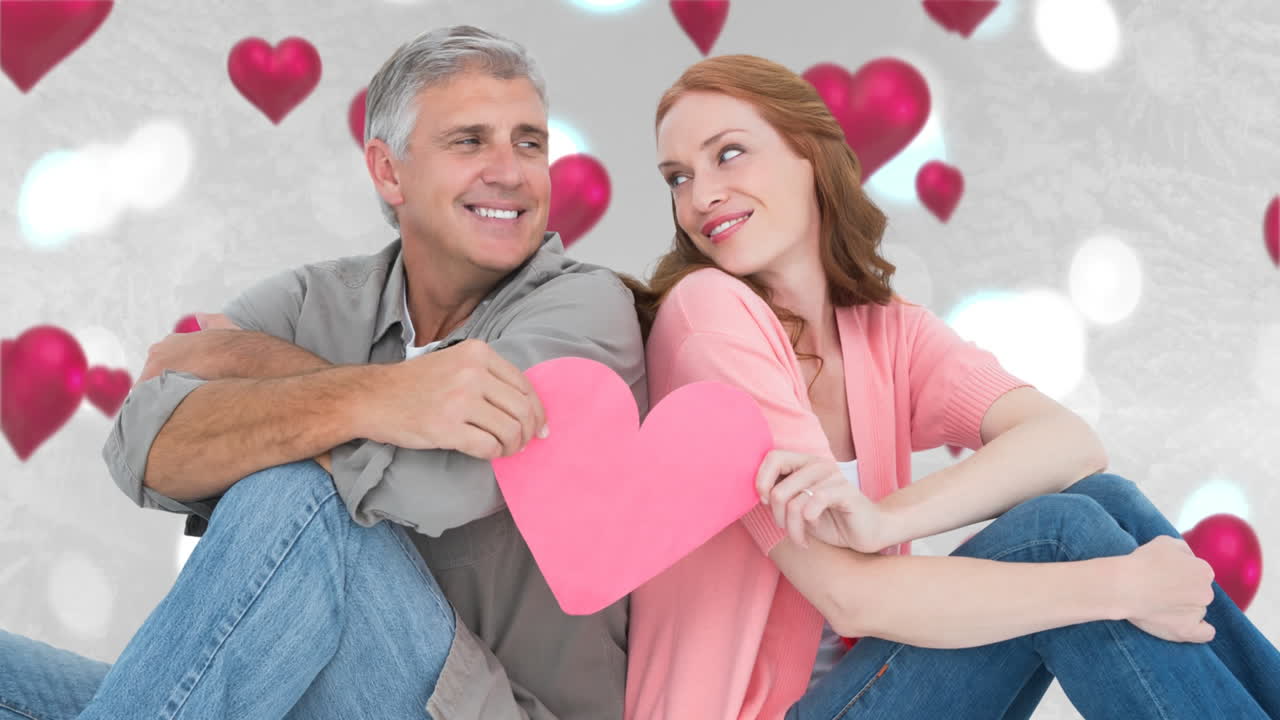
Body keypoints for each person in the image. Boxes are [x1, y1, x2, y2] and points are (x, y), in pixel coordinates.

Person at [0, 25, 643, 720]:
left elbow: (443, 486)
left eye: (529, 142)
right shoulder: (316, 299)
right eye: (470, 140)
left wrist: (253, 378)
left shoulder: (586, 311)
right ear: (388, 170)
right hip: (304, 696)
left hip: (488, 708)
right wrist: (385, 396)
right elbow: (146, 446)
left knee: (298, 497)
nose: (512, 170)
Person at [620, 54, 1280, 720]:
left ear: (811, 157)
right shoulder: (707, 315)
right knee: (1062, 533)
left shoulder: (883, 330)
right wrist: (1120, 587)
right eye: (678, 177)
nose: (699, 196)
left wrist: (890, 518)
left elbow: (1070, 444)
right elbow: (850, 595)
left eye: (727, 154)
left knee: (1101, 499)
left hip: (866, 687)